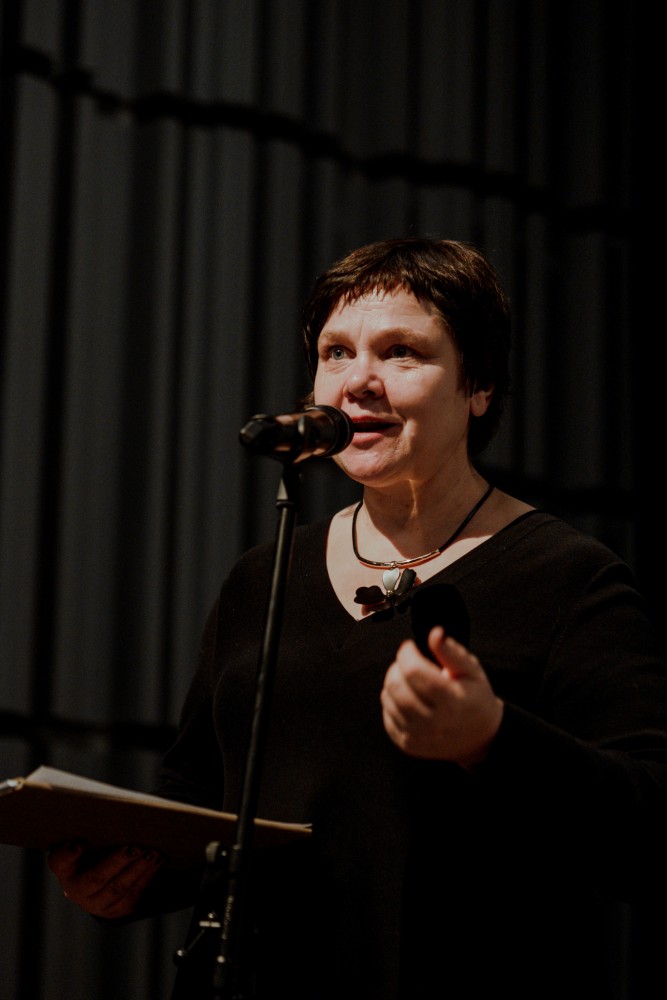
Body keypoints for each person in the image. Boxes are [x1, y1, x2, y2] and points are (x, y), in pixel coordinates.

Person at [48, 237, 667, 1000]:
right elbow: (200, 803)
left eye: (401, 352)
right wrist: (127, 881)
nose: (357, 381)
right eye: (335, 352)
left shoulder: (568, 578)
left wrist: (491, 739)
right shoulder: (262, 577)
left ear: (478, 385)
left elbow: (649, 835)